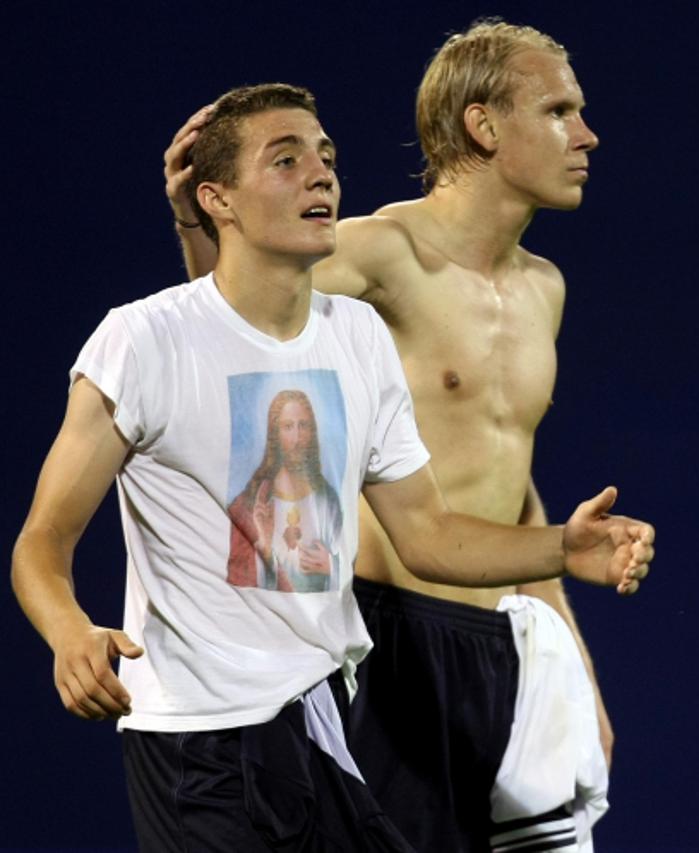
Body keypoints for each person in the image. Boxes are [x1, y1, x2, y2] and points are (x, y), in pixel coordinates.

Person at [12, 82, 653, 853]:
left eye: (326, 157)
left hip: (321, 722)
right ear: (218, 199)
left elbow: (430, 534)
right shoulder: (141, 340)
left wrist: (560, 548)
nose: (321, 174)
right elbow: (41, 542)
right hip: (199, 744)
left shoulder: (356, 336)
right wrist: (70, 630)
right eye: (285, 161)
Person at [165, 20, 621, 851]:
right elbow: (241, 330)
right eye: (559, 110)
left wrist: (576, 663)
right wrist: (202, 228)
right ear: (484, 126)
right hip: (383, 642)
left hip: (497, 650)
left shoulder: (544, 288)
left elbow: (509, 481)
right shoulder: (384, 251)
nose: (586, 135)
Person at [227, 389, 342, 592]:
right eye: (288, 427)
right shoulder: (250, 503)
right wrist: (264, 547)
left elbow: (345, 564)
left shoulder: (328, 500)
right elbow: (238, 580)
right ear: (275, 435)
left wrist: (331, 567)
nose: (297, 438)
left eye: (303, 426)